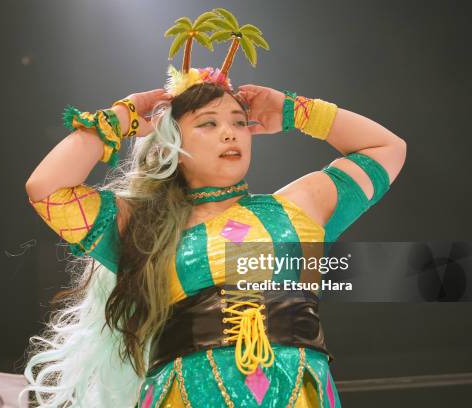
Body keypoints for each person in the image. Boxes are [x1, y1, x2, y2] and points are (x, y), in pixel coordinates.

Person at [21, 9, 406, 408]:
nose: (229, 133)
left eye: (239, 122)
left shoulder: (298, 207)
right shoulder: (142, 226)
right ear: (171, 143)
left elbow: (387, 149)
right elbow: (47, 188)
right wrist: (125, 115)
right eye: (207, 123)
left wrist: (296, 111)